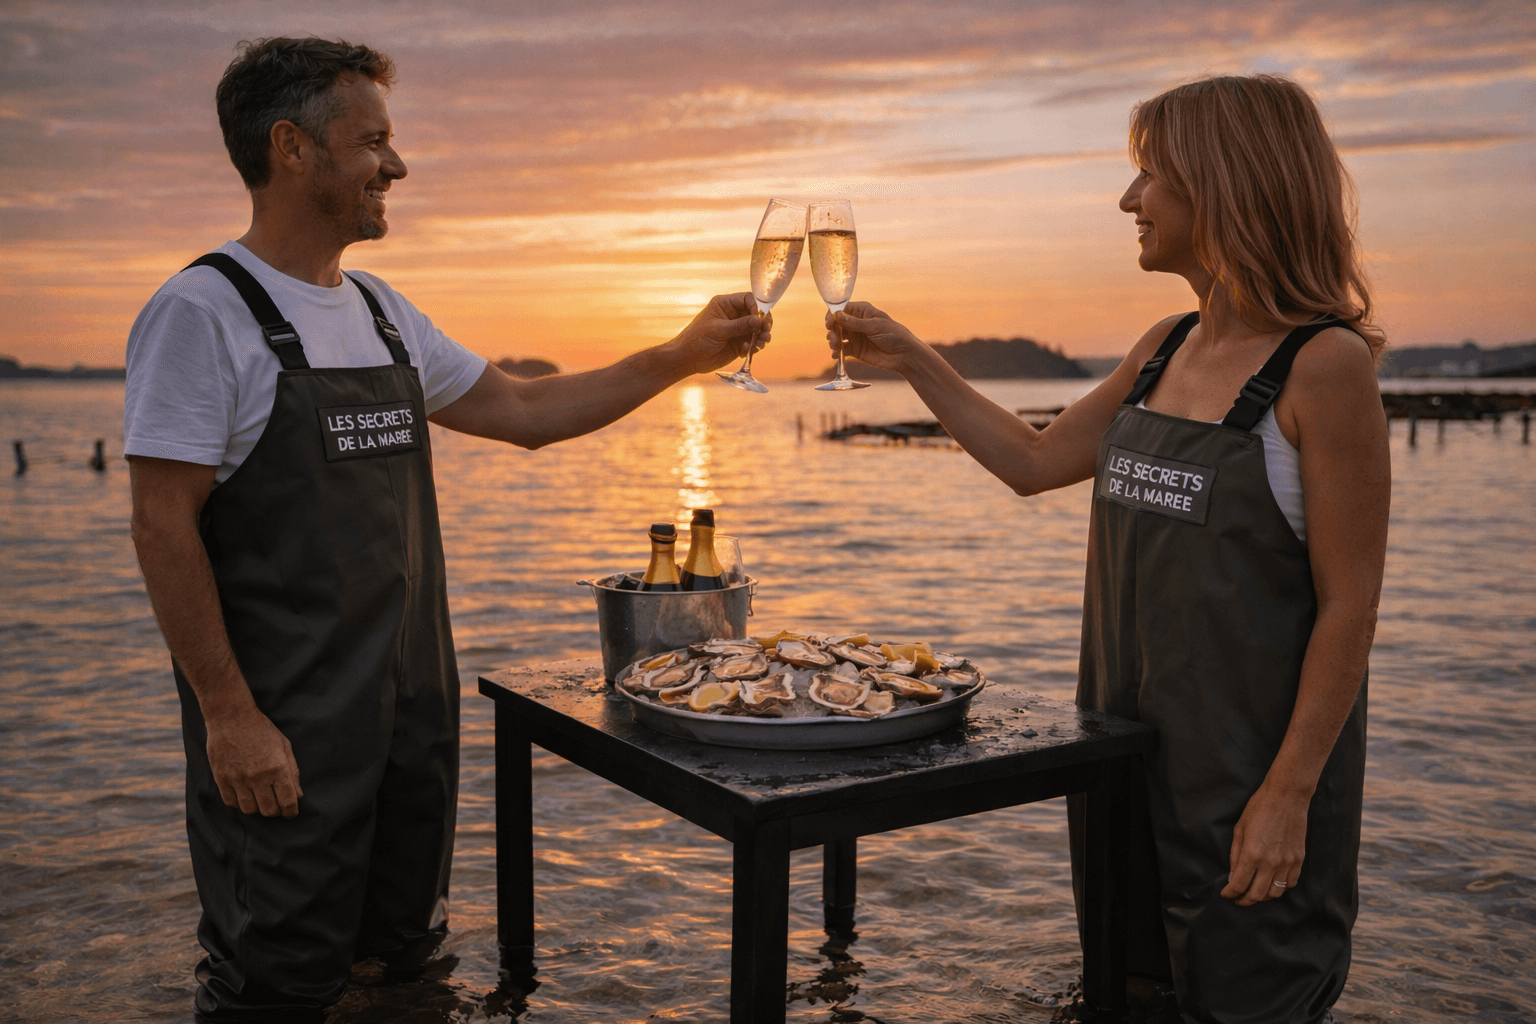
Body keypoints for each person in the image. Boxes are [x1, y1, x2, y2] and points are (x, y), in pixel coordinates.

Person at [124, 37, 765, 1023]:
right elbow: (164, 526)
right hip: (286, 732)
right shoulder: (202, 312)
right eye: (374, 140)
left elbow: (523, 410)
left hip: (411, 724)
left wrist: (682, 354)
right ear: (292, 148)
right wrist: (229, 717)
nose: (398, 165)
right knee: (275, 980)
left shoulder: (383, 314)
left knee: (402, 964)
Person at [827, 75, 1389, 1022]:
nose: (1130, 201)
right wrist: (910, 356)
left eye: (1149, 176)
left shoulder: (1324, 366)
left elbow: (1351, 606)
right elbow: (1034, 460)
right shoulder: (1163, 347)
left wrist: (1289, 794)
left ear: (1223, 184)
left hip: (1248, 782)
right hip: (1123, 764)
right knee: (1125, 995)